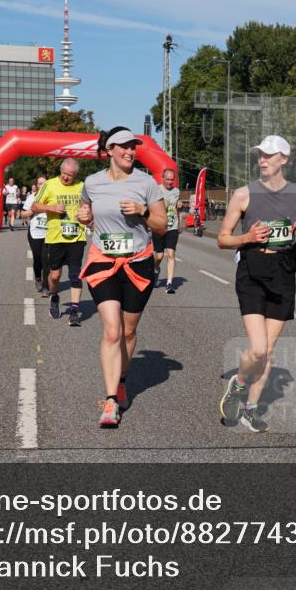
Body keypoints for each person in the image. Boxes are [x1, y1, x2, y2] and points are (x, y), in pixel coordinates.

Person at [216, 136, 296, 433]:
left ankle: (251, 410)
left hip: (283, 270)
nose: (262, 160)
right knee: (258, 349)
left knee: (268, 351)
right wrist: (247, 238)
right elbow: (222, 238)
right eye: (260, 155)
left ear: (284, 159)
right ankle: (238, 383)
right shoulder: (243, 194)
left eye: (269, 155)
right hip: (252, 269)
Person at [77, 126, 167, 428]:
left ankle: (122, 380)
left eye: (133, 147)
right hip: (103, 262)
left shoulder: (146, 183)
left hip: (138, 263)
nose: (130, 152)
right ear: (110, 151)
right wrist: (84, 218)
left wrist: (143, 211)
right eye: (124, 147)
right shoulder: (92, 182)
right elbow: (86, 212)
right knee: (112, 331)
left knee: (128, 332)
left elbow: (162, 226)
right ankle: (110, 400)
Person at [32, 158, 88, 325]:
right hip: (55, 238)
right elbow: (34, 206)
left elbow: (88, 208)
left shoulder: (82, 186)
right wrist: (52, 208)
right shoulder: (49, 185)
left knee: (75, 275)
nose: (65, 177)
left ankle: (74, 311)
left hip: (77, 237)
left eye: (70, 175)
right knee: (55, 275)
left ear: (75, 175)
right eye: (64, 173)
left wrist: (88, 216)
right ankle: (54, 296)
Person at [152, 167, 184, 293]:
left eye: (172, 180)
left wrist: (179, 206)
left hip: (172, 227)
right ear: (162, 178)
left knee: (171, 254)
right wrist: (160, 207)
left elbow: (177, 208)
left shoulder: (176, 191)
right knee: (159, 256)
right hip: (159, 227)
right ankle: (155, 269)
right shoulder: (156, 190)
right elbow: (150, 208)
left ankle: (169, 283)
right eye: (167, 179)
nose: (170, 182)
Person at [21, 176, 50, 293]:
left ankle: (46, 285)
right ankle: (38, 277)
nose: (42, 185)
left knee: (47, 259)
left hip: (50, 233)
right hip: (35, 232)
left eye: (44, 183)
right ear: (37, 185)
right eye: (40, 183)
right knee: (38, 258)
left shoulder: (53, 197)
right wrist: (33, 210)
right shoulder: (32, 197)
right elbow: (23, 214)